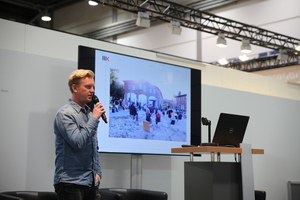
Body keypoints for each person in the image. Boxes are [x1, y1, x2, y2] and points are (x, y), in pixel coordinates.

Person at [53, 69, 106, 200]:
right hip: (71, 183)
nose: (92, 90)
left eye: (93, 87)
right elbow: (78, 143)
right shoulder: (65, 114)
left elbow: (94, 146)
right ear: (75, 88)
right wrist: (94, 118)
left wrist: (98, 172)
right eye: (88, 87)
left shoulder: (88, 113)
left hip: (91, 182)